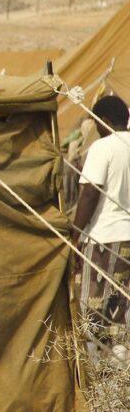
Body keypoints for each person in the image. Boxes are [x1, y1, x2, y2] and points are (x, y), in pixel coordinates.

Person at [72, 95, 130, 348]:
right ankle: (121, 371)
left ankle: (102, 373)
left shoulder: (103, 147)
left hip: (105, 239)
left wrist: (74, 236)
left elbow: (89, 194)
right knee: (121, 308)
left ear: (103, 121)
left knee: (93, 310)